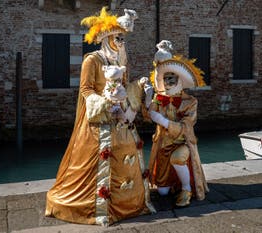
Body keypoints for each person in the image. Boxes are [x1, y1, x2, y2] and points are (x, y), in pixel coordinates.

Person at [45, 7, 155, 226]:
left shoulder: (121, 62)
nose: (122, 42)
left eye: (124, 38)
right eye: (119, 38)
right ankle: (98, 206)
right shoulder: (92, 60)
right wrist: (106, 102)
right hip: (99, 121)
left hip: (121, 121)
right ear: (108, 38)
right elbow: (85, 90)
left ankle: (131, 202)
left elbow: (124, 88)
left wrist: (140, 86)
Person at [143, 40, 209, 207]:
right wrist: (147, 98)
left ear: (179, 79)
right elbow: (147, 116)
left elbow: (187, 125)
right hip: (163, 145)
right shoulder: (159, 99)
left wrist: (164, 121)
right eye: (166, 78)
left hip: (182, 143)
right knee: (163, 191)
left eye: (172, 77)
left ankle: (186, 189)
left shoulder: (190, 102)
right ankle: (172, 184)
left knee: (178, 158)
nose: (169, 81)